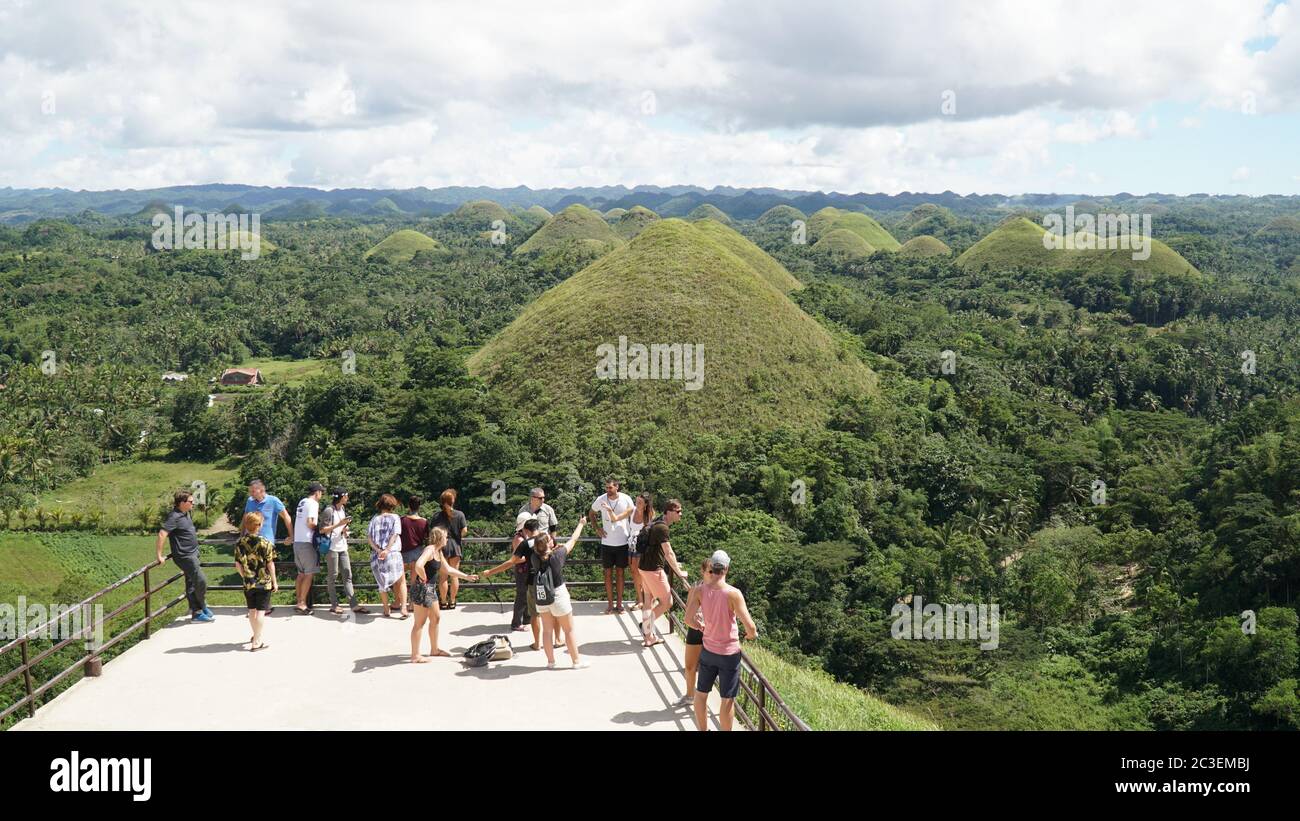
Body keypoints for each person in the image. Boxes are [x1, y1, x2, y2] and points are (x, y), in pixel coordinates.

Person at [685, 550, 758, 731]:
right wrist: (750, 636)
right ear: (726, 568)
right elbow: (751, 627)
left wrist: (701, 627)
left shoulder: (701, 590)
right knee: (727, 700)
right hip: (729, 653)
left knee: (701, 694)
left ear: (711, 568)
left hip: (708, 650)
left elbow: (687, 618)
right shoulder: (733, 593)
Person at [409, 527, 478, 662]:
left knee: (436, 618)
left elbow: (448, 569)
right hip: (423, 589)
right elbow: (418, 565)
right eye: (446, 537)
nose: (447, 539)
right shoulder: (430, 550)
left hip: (430, 589)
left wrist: (466, 576)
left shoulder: (438, 552)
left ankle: (434, 650)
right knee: (419, 623)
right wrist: (424, 578)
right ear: (440, 538)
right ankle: (415, 656)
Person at [532, 518, 590, 669]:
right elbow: (574, 539)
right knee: (569, 630)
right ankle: (576, 661)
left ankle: (550, 662)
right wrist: (581, 524)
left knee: (547, 631)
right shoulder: (557, 556)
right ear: (549, 544)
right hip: (557, 594)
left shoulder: (534, 557)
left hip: (542, 595)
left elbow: (540, 549)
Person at [482, 516, 542, 648]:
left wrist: (491, 572)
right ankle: (517, 623)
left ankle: (531, 628)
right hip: (527, 573)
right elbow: (515, 559)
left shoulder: (528, 542)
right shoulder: (524, 539)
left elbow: (513, 560)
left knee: (529, 600)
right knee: (522, 597)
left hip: (532, 575)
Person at [636, 499, 688, 648]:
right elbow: (668, 552)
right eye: (678, 511)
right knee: (667, 602)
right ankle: (646, 626)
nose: (680, 514)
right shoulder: (663, 528)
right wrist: (679, 572)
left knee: (648, 601)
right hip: (653, 570)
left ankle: (648, 637)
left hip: (643, 567)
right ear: (669, 512)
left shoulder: (656, 521)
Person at [156, 489, 212, 622]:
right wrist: (159, 556)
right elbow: (162, 534)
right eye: (191, 501)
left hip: (193, 553)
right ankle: (202, 605)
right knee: (201, 581)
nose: (193, 503)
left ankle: (196, 612)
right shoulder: (174, 517)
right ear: (182, 503)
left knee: (192, 583)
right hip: (185, 556)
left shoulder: (185, 513)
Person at [233, 511, 278, 651]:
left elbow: (237, 565)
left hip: (248, 582)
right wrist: (275, 582)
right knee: (261, 612)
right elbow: (270, 564)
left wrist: (245, 576)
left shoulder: (239, 543)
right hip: (264, 583)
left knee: (252, 611)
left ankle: (255, 635)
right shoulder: (265, 543)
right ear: (259, 525)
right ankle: (257, 641)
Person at [588, 478, 634, 614]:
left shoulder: (626, 499)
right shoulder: (601, 499)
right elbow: (591, 513)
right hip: (607, 542)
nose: (607, 490)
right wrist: (597, 528)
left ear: (617, 487)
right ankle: (609, 604)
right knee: (607, 574)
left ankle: (619, 605)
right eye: (606, 487)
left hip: (622, 541)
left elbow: (632, 513)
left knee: (620, 574)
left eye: (610, 488)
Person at [319, 488, 367, 615]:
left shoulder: (342, 509)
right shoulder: (329, 510)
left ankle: (354, 604)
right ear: (340, 497)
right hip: (332, 548)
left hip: (342, 546)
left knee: (347, 575)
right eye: (346, 495)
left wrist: (344, 529)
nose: (347, 497)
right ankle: (334, 605)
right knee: (333, 576)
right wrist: (339, 524)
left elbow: (338, 527)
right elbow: (322, 530)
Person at [367, 494, 408, 618]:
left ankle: (386, 609)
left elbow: (369, 538)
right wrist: (387, 549)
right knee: (401, 581)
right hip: (393, 554)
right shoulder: (395, 517)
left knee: (382, 583)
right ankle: (404, 608)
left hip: (377, 555)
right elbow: (395, 535)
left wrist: (379, 550)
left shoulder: (374, 518)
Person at [680, 559, 712, 706]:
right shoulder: (696, 587)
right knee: (690, 666)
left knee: (709, 667)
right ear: (703, 571)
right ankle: (689, 695)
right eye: (710, 571)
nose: (713, 575)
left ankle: (701, 698)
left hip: (712, 631)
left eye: (715, 571)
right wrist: (696, 615)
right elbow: (688, 608)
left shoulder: (722, 589)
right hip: (696, 627)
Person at [430, 489, 468, 609]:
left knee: (443, 577)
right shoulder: (460, 514)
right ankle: (452, 601)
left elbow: (433, 532)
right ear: (453, 501)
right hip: (455, 546)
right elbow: (465, 530)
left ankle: (443, 601)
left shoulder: (437, 516)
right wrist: (458, 537)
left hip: (442, 546)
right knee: (454, 576)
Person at [292, 482, 325, 614]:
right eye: (321, 492)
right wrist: (320, 529)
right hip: (307, 542)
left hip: (297, 542)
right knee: (308, 574)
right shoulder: (313, 504)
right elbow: (310, 522)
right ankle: (302, 603)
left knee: (300, 574)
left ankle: (299, 601)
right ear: (317, 492)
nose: (321, 495)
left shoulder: (302, 502)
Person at [399, 495, 430, 618]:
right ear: (419, 507)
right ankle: (412, 604)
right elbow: (426, 538)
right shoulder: (424, 521)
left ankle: (402, 605)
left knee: (401, 581)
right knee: (413, 581)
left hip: (402, 552)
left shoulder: (402, 520)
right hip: (417, 552)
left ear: (408, 506)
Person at [623, 493, 655, 611]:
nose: (637, 504)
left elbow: (652, 530)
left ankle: (642, 599)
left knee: (640, 572)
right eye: (637, 501)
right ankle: (640, 598)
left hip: (642, 545)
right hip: (632, 544)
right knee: (633, 571)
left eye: (640, 502)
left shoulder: (650, 514)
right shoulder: (632, 511)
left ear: (646, 504)